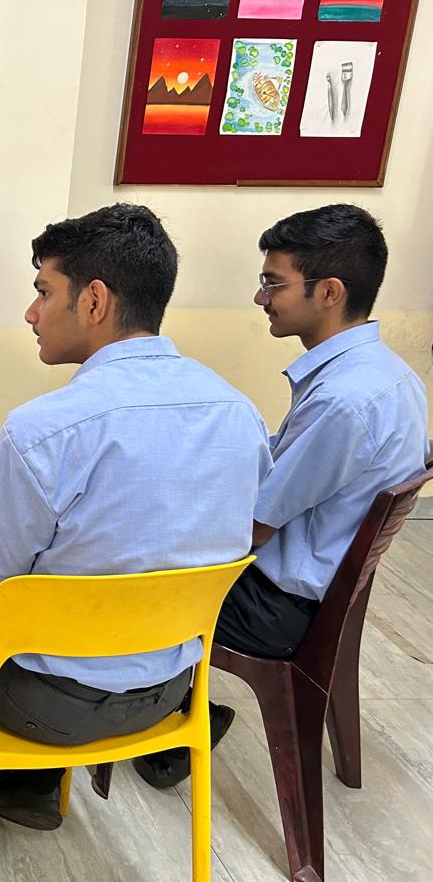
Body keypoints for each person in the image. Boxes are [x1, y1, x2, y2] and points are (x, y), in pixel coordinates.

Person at [0, 203, 272, 830]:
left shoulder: (44, 430)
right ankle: (27, 787)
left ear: (94, 301)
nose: (31, 313)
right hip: (170, 693)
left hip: (39, 705)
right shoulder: (240, 413)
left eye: (44, 292)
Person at [135, 204, 428, 789]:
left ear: (330, 292)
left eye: (274, 284)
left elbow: (253, 528)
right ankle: (168, 707)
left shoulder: (344, 402)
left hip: (278, 608)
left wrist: (153, 522)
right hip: (320, 588)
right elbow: (279, 472)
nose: (260, 297)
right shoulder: (389, 374)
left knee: (116, 563)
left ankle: (150, 723)